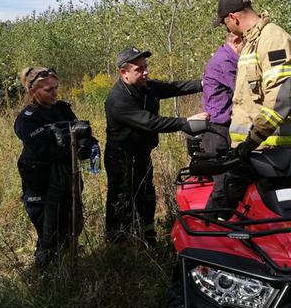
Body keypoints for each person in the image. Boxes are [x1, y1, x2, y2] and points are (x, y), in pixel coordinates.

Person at [211, 0, 291, 207]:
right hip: (258, 147)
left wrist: (253, 139)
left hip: (274, 148)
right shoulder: (251, 43)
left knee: (222, 208)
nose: (226, 29)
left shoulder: (272, 39)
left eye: (224, 23)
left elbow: (281, 97)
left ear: (233, 17)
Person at [104, 47, 207, 245]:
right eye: (139, 69)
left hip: (142, 153)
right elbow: (152, 122)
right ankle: (118, 244)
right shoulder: (118, 100)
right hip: (121, 157)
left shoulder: (146, 86)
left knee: (146, 197)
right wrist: (186, 121)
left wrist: (203, 84)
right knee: (121, 201)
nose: (145, 72)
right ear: (123, 73)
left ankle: (148, 239)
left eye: (145, 67)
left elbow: (172, 87)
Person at [14, 67, 98, 269]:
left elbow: (80, 131)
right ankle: (44, 271)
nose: (54, 93)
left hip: (67, 174)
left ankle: (69, 263)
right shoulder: (27, 118)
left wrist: (88, 143)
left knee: (71, 220)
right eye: (48, 90)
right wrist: (67, 142)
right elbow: (44, 150)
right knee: (47, 228)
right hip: (40, 178)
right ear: (33, 92)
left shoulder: (61, 108)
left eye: (55, 88)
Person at [201, 31, 242, 207]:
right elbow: (243, 90)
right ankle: (211, 227)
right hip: (218, 130)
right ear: (237, 41)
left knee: (234, 181)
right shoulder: (225, 61)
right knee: (223, 185)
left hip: (224, 127)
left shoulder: (227, 57)